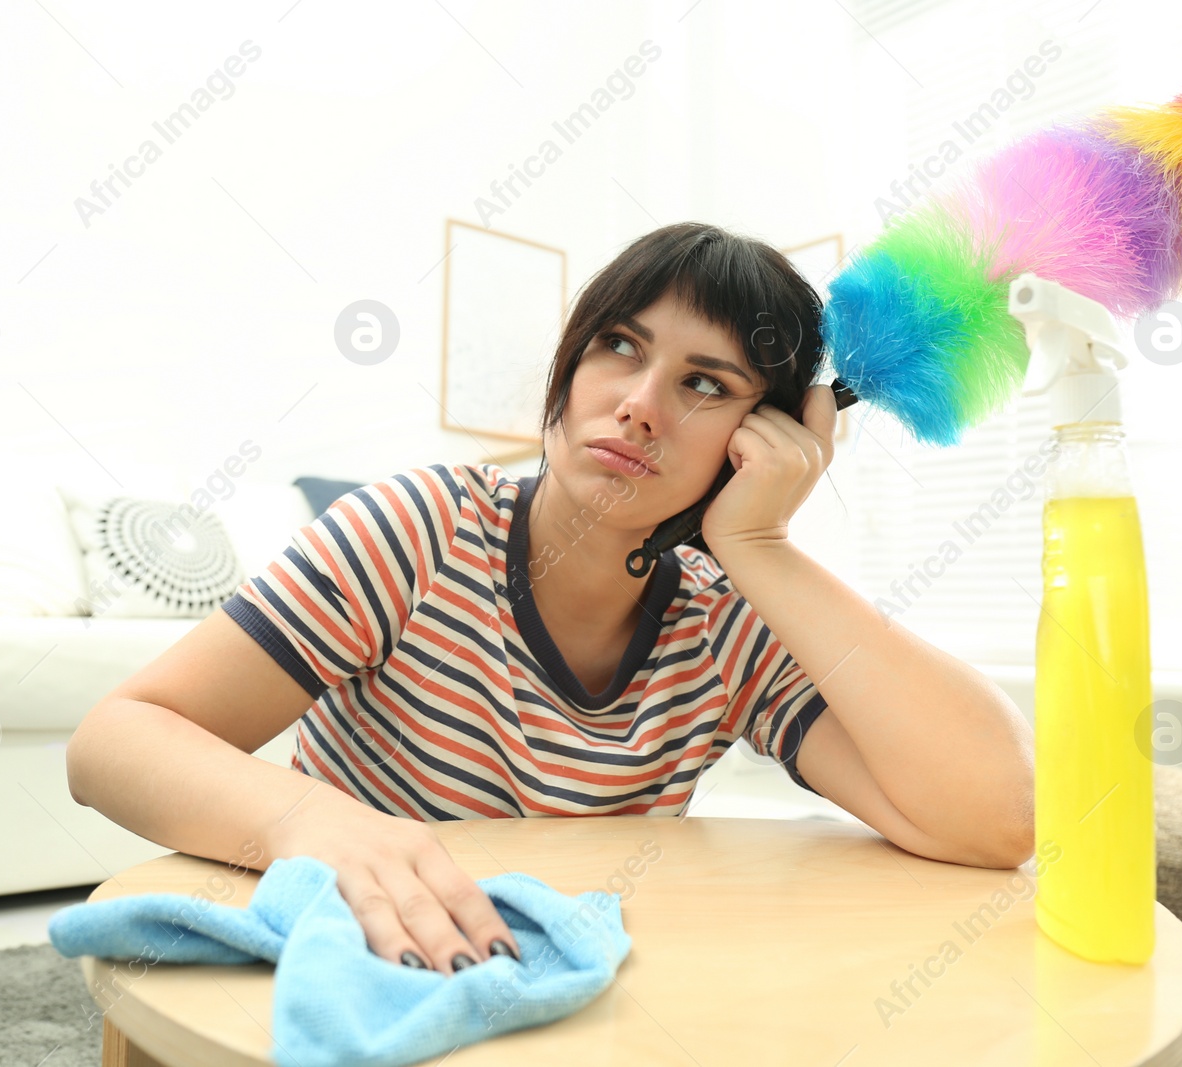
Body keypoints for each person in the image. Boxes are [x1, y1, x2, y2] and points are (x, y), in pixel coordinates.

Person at [66, 221, 1035, 979]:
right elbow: (115, 739)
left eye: (705, 381)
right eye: (620, 345)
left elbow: (996, 817)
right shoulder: (421, 527)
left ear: (762, 438)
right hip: (365, 955)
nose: (641, 401)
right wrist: (310, 823)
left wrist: (759, 546)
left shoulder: (724, 618)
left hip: (561, 983)